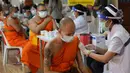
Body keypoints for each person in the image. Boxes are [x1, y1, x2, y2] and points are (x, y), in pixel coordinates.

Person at [81, 4, 130, 73]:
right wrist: (95, 47)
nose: (101, 22)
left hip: (121, 69)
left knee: (94, 63)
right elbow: (110, 51)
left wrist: (88, 53)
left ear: (110, 21)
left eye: (102, 20)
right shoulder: (112, 30)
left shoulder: (118, 36)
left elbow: (105, 59)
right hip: (115, 66)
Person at [21, 3, 56, 73]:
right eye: (41, 10)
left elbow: (55, 30)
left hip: (48, 41)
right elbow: (36, 30)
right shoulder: (32, 20)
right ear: (37, 11)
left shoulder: (50, 18)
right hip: (34, 42)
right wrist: (46, 21)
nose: (44, 12)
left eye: (45, 10)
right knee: (26, 50)